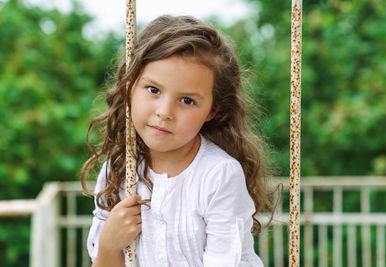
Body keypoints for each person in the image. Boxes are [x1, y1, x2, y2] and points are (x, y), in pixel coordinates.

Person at [81, 15, 277, 267]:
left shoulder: (219, 175)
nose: (164, 112)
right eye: (153, 90)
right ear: (130, 86)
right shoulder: (117, 169)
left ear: (212, 111)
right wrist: (109, 244)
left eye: (187, 100)